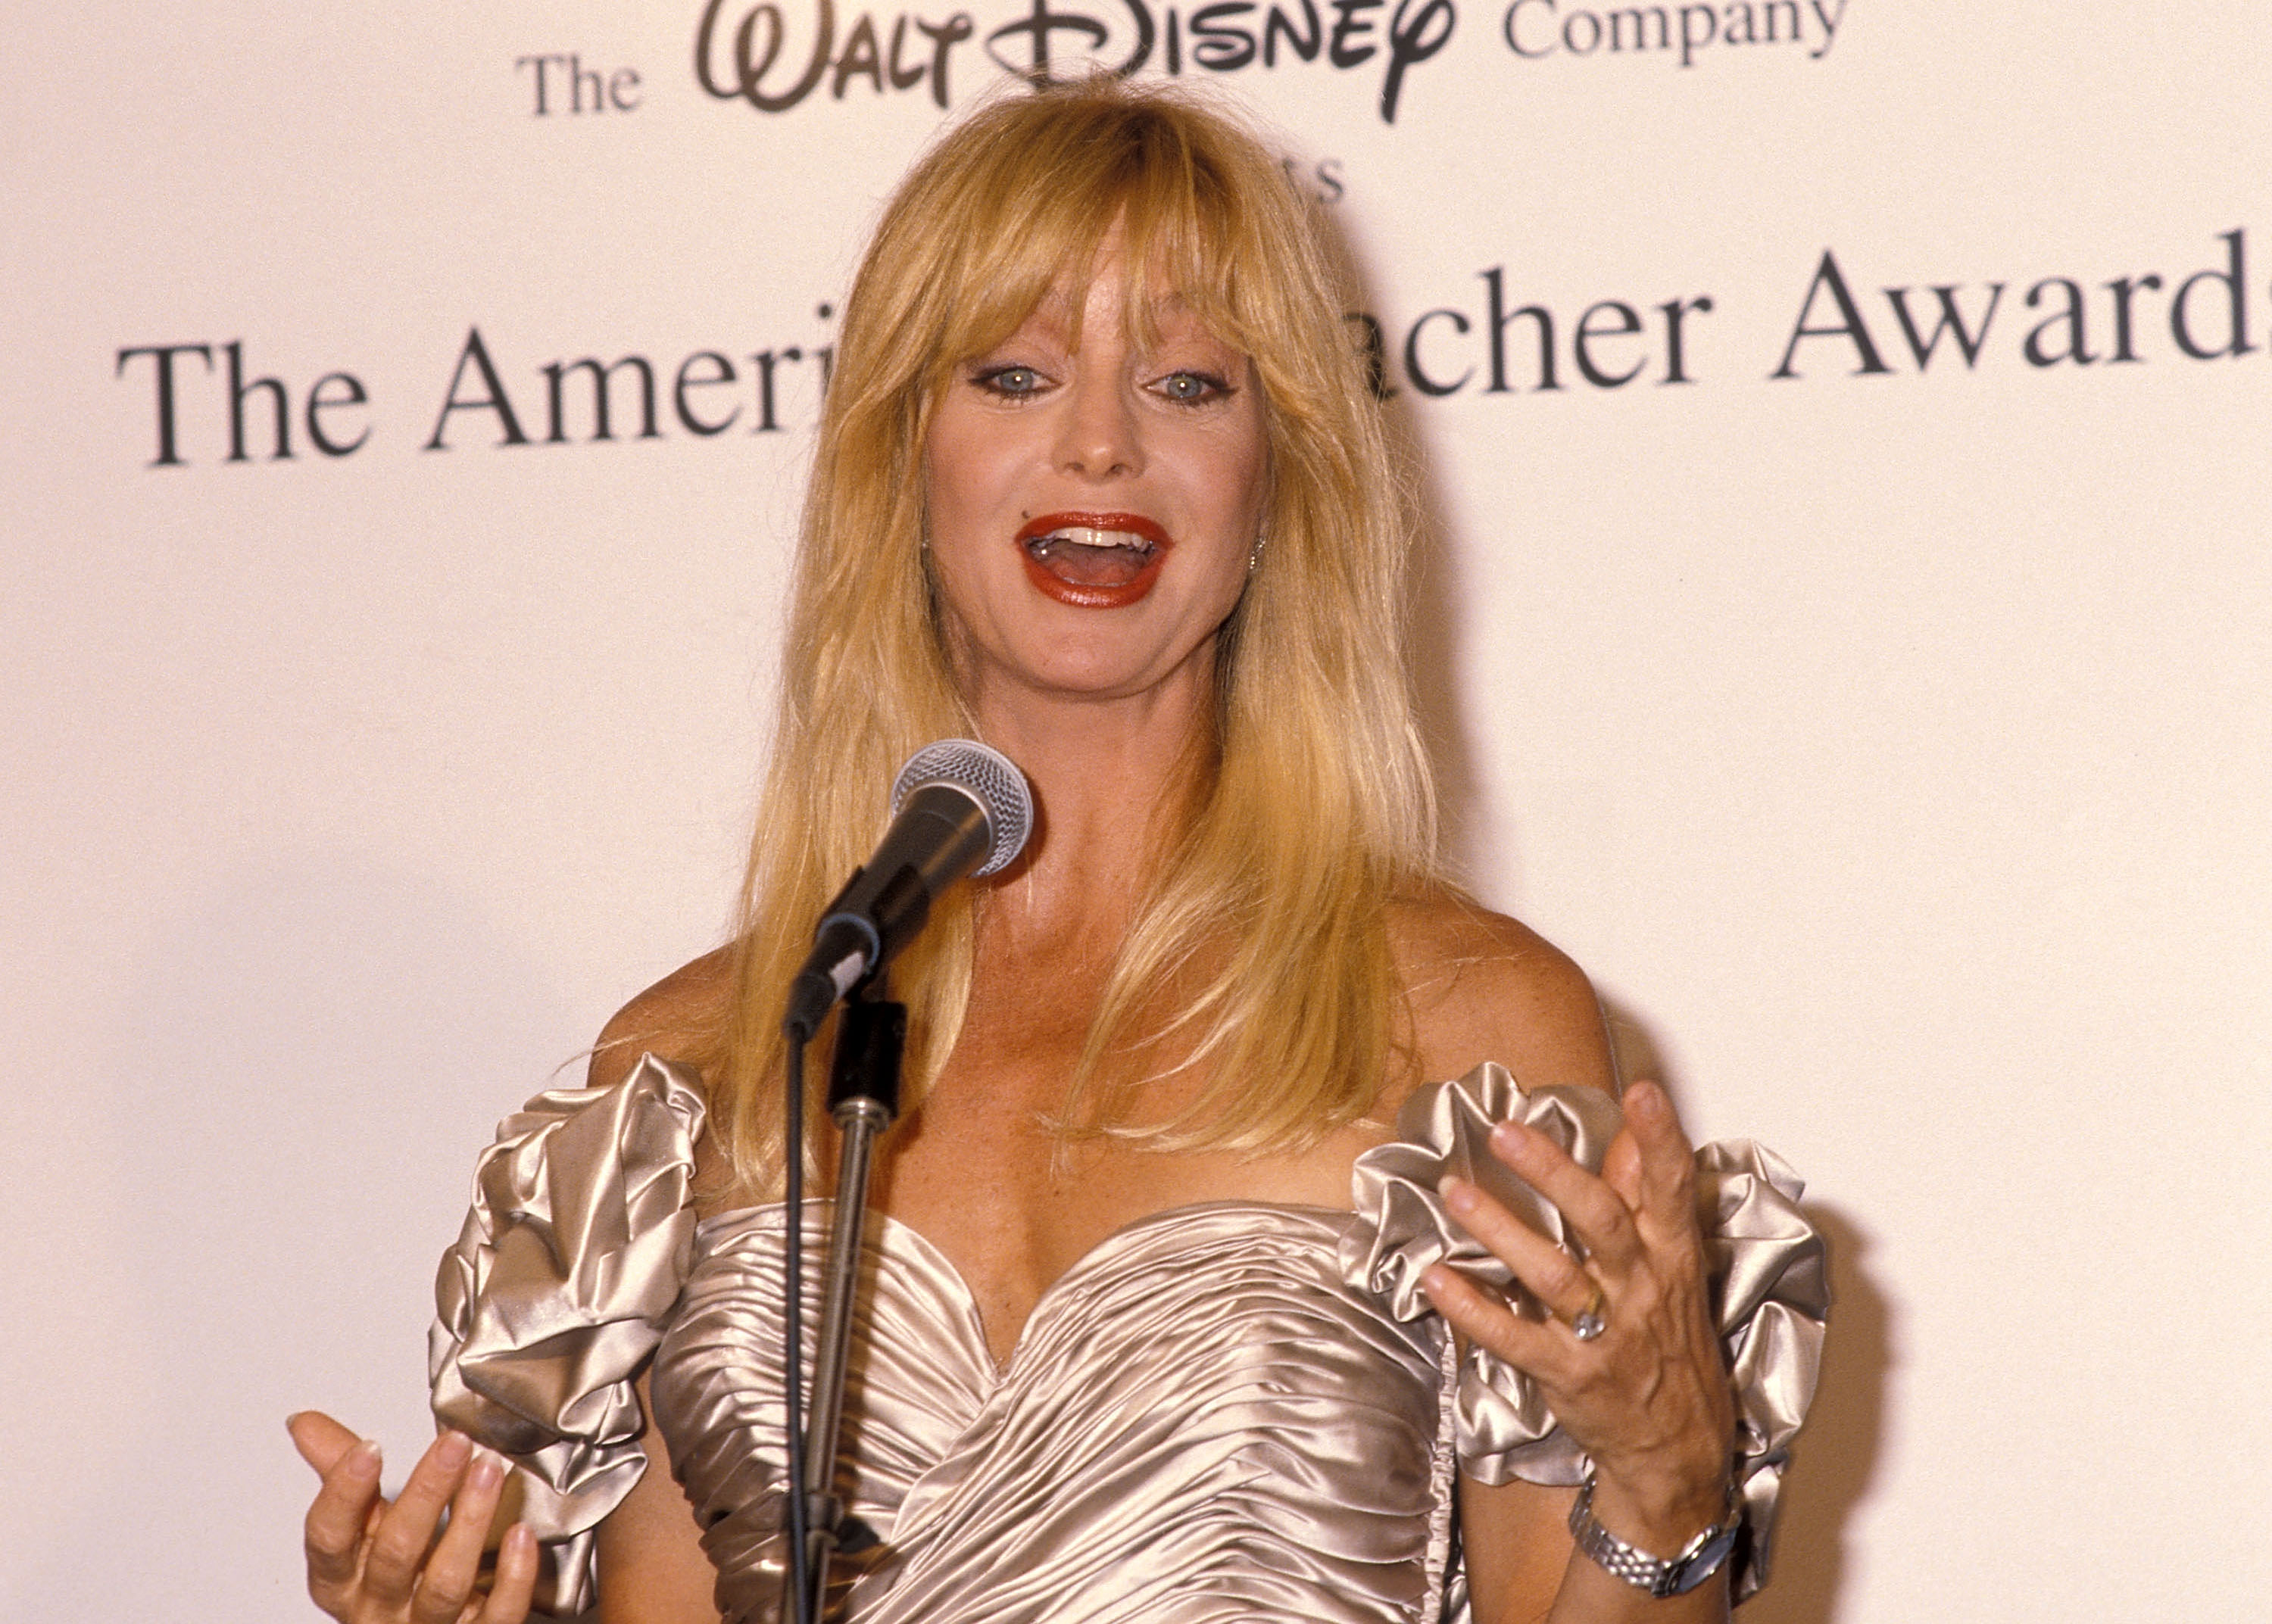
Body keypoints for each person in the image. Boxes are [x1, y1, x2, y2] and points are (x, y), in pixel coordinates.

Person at [292, 76, 1824, 1624]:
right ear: (904, 456)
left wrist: (1665, 1482)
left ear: (1278, 474)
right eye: (1017, 374)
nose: (1100, 445)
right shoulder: (699, 1071)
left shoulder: (1470, 1030)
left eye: (1188, 387)